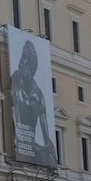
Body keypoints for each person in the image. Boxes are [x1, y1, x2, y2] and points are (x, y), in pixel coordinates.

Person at [10, 37, 56, 165]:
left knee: (47, 158)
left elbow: (46, 136)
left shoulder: (39, 95)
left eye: (25, 59)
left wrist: (49, 150)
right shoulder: (16, 79)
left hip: (30, 145)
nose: (21, 62)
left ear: (32, 66)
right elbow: (13, 110)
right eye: (22, 57)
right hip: (18, 141)